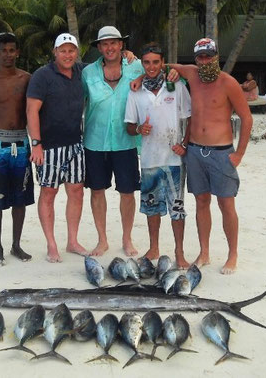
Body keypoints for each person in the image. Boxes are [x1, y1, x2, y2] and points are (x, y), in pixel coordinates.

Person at [168, 38, 253, 274]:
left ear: (217, 56)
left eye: (209, 56)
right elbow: (160, 65)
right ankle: (204, 252)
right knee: (201, 202)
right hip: (195, 151)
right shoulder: (192, 74)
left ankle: (232, 254)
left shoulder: (229, 83)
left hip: (221, 152)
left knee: (226, 204)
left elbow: (247, 118)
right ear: (196, 58)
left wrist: (239, 154)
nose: (205, 61)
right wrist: (172, 72)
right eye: (201, 57)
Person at [124, 42, 192, 268]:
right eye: (147, 62)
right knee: (152, 206)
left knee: (177, 208)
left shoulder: (177, 86)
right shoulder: (136, 91)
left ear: (163, 63)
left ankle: (179, 252)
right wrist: (139, 129)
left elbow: (189, 117)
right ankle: (154, 248)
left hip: (174, 160)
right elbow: (129, 126)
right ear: (142, 64)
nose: (151, 67)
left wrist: (185, 143)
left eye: (156, 62)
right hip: (150, 158)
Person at [81, 26, 145, 257]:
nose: (109, 48)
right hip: (94, 142)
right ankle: (102, 240)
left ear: (121, 45)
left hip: (126, 141)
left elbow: (158, 70)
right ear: (99, 48)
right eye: (105, 44)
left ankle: (127, 239)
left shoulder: (137, 67)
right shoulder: (87, 73)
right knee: (97, 191)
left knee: (127, 192)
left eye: (114, 43)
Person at [26, 33, 87, 263]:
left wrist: (127, 55)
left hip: (75, 144)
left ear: (76, 52)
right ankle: (51, 244)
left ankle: (72, 241)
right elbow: (31, 111)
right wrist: (36, 144)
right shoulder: (42, 76)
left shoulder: (82, 71)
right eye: (63, 50)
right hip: (48, 147)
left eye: (72, 50)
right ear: (55, 52)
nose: (68, 55)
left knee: (76, 191)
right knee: (49, 193)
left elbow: (106, 62)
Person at [0, 32, 34, 266]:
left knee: (20, 197)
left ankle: (16, 245)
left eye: (12, 50)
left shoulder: (27, 79)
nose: (8, 54)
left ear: (17, 52)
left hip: (22, 142)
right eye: (4, 50)